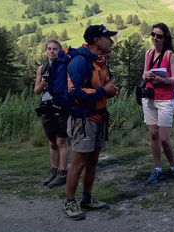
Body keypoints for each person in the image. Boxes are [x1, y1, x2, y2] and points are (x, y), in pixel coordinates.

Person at [62, 24, 119, 220]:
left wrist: (108, 92)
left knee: (92, 162)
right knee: (78, 163)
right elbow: (74, 92)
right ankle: (69, 202)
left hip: (98, 117)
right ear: (96, 40)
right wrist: (104, 92)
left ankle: (86, 198)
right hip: (83, 119)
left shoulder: (100, 62)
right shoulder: (80, 62)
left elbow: (98, 88)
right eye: (107, 37)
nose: (111, 41)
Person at [142, 23, 174, 185]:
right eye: (153, 34)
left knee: (163, 137)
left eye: (159, 36)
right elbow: (143, 75)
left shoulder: (170, 55)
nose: (155, 38)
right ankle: (157, 168)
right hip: (149, 98)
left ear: (165, 38)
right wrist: (147, 76)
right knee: (153, 134)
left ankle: (173, 165)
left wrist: (161, 79)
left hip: (165, 99)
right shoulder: (148, 53)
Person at [34, 40, 69, 188]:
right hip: (46, 106)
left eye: (55, 49)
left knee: (61, 140)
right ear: (45, 51)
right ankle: (53, 171)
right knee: (52, 142)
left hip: (61, 106)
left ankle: (63, 173)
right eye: (49, 49)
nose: (52, 51)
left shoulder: (65, 66)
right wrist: (44, 81)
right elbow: (36, 90)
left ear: (59, 51)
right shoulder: (42, 68)